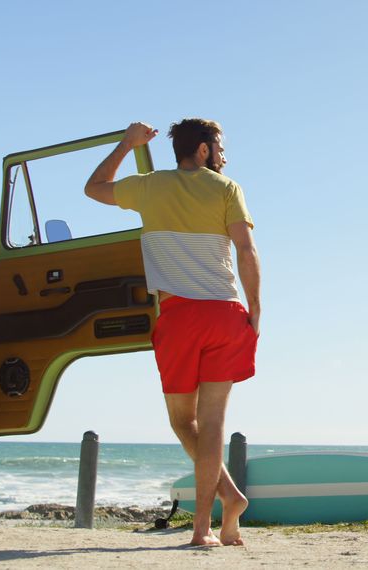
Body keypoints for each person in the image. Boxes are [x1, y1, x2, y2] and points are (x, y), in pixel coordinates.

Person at [84, 120, 260, 547]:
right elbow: (245, 249)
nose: (223, 155)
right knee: (213, 421)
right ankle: (221, 514)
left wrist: (127, 144)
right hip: (225, 312)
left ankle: (214, 517)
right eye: (218, 146)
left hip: (180, 318)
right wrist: (256, 311)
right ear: (201, 150)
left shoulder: (148, 187)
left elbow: (94, 187)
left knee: (185, 422)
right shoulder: (226, 188)